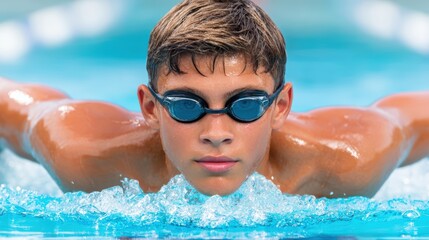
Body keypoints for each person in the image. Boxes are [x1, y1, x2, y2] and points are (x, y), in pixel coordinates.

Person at [0, 0, 428, 198]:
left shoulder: (347, 159)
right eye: (187, 106)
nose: (217, 134)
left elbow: (415, 117)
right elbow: (12, 106)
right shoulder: (85, 155)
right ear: (151, 108)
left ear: (280, 106)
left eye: (246, 106)